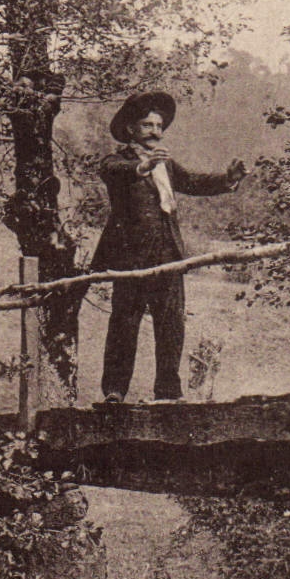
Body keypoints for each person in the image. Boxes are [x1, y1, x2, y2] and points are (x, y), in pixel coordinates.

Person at [93, 90, 246, 403]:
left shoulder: (166, 162)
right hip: (131, 258)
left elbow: (193, 182)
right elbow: (113, 172)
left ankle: (167, 392)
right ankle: (114, 391)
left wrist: (227, 180)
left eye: (159, 125)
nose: (156, 131)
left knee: (171, 324)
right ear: (130, 129)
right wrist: (141, 168)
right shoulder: (117, 161)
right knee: (125, 323)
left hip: (168, 253)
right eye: (148, 125)